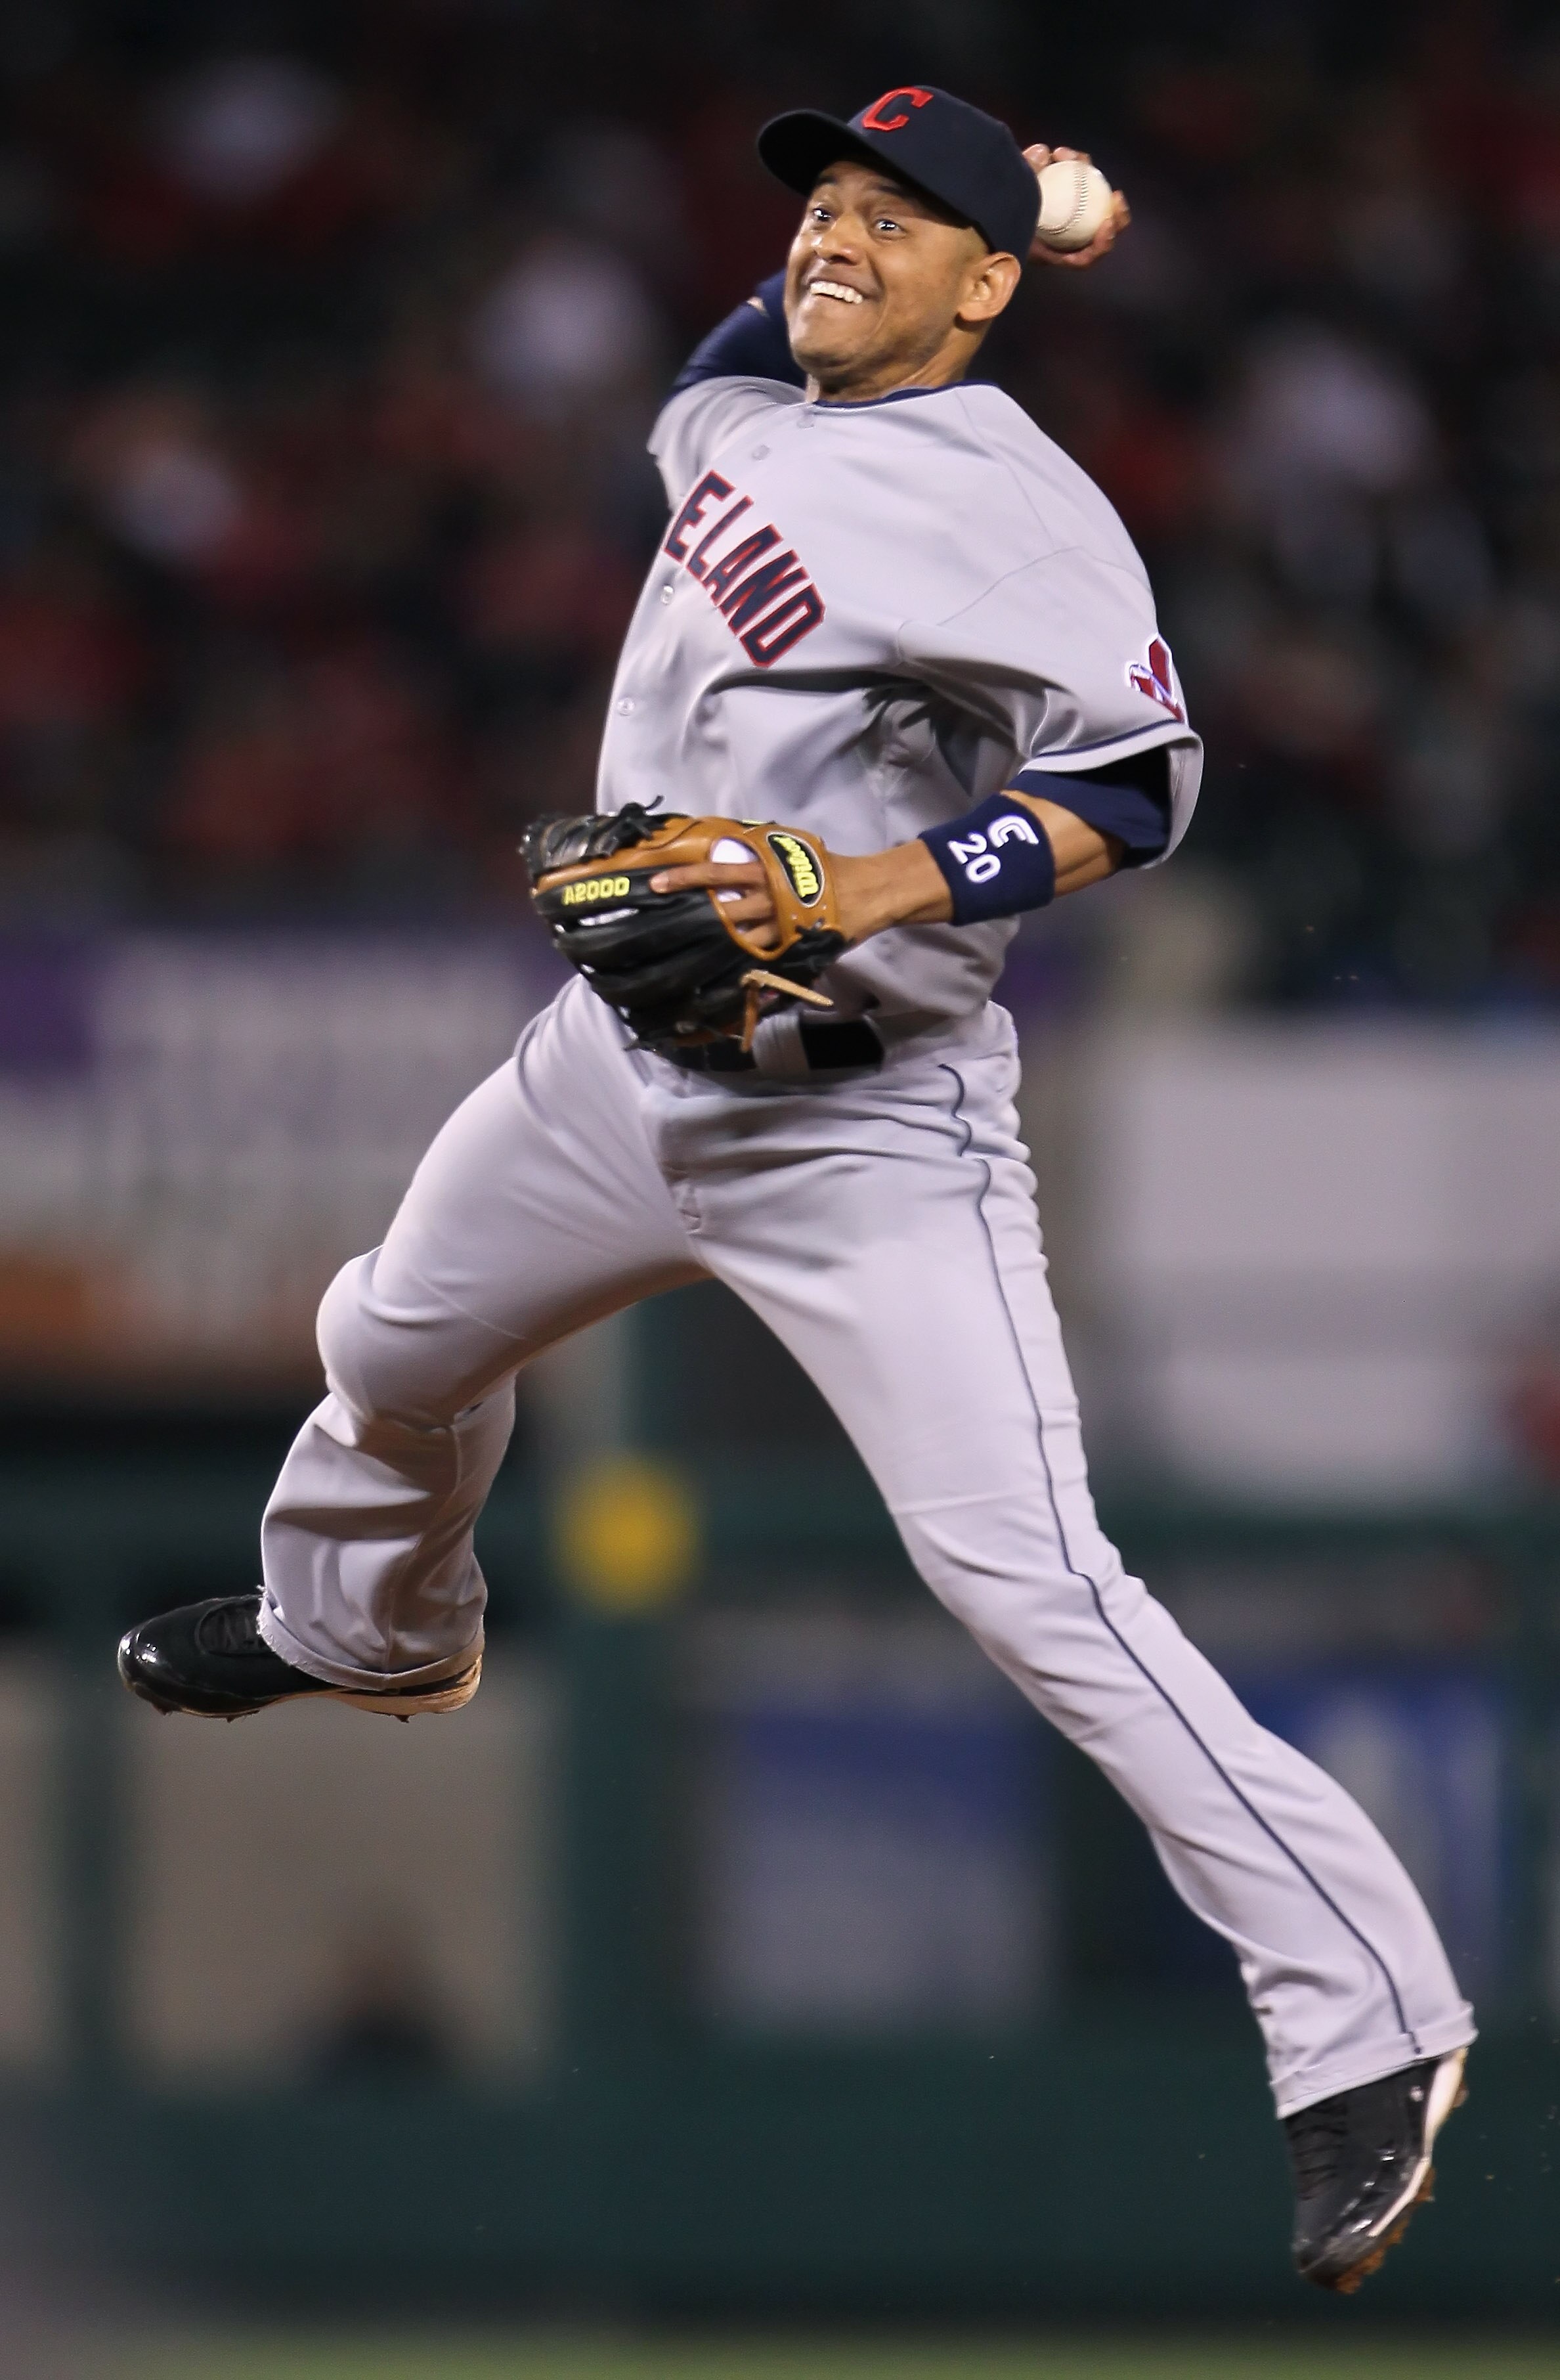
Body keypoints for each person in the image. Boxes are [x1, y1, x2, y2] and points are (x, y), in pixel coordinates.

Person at [119, 86, 1473, 2292]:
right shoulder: (755, 420)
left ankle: (1371, 2027)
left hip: (867, 1121)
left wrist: (864, 882)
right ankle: (367, 1628)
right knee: (384, 1338)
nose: (832, 239)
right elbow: (716, 364)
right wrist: (1015, 206)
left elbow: (1139, 782)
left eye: (892, 221)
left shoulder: (1007, 501)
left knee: (1031, 1581)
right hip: (615, 1067)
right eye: (822, 207)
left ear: (986, 289)